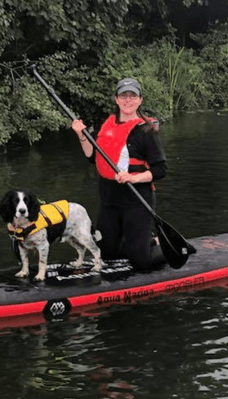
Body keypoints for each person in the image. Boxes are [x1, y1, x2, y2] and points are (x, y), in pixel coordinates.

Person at [71, 78, 167, 270]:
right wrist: (82, 136)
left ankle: (163, 246)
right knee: (108, 254)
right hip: (109, 200)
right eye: (123, 96)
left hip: (137, 201)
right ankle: (146, 242)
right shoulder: (107, 125)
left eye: (133, 96)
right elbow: (92, 157)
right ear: (116, 99)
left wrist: (133, 177)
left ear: (140, 100)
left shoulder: (146, 131)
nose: (128, 100)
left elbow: (160, 170)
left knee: (141, 263)